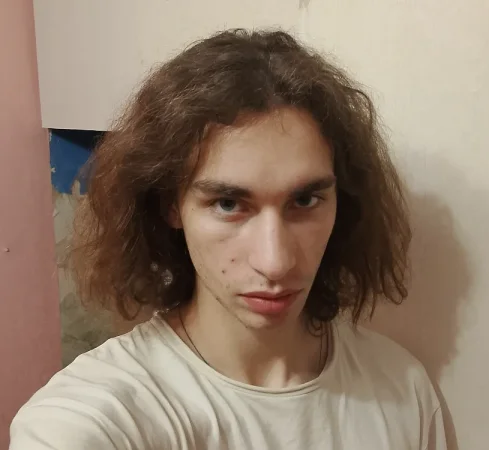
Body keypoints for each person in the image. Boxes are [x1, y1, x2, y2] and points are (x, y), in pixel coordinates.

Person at [10, 29, 447, 449]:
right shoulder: (95, 417)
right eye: (228, 203)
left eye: (305, 200)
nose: (275, 262)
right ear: (170, 205)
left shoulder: (400, 389)